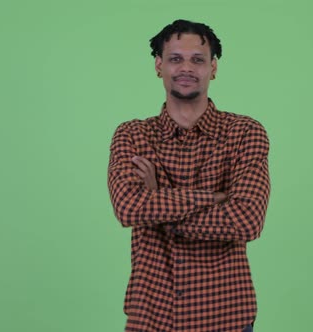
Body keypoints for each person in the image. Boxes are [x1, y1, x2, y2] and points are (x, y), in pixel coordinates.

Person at [107, 19, 270, 332]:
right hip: (151, 317)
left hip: (225, 317)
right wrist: (212, 198)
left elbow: (248, 220)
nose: (187, 68)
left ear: (213, 68)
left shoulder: (244, 133)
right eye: (176, 59)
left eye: (198, 60)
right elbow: (127, 209)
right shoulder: (132, 135)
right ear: (159, 65)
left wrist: (156, 200)